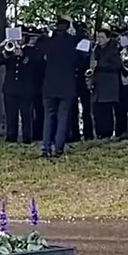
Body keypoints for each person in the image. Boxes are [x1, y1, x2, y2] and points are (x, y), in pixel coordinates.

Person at [40, 15, 78, 158]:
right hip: (66, 85)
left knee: (48, 117)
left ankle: (46, 147)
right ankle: (59, 148)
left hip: (49, 85)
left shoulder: (48, 42)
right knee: (62, 117)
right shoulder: (72, 43)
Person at [0, 33, 34, 143]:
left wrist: (22, 55)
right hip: (10, 89)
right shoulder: (9, 53)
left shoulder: (30, 51)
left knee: (26, 115)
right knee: (11, 115)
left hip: (25, 90)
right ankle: (11, 136)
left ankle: (27, 137)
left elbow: (34, 65)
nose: (19, 40)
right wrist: (4, 54)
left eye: (22, 37)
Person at [90, 27, 122, 138]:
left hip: (108, 85)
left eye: (102, 37)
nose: (99, 39)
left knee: (107, 111)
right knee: (97, 110)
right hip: (98, 85)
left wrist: (99, 65)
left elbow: (117, 65)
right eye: (98, 37)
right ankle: (99, 133)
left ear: (108, 38)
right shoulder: (95, 50)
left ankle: (107, 133)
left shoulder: (113, 49)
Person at [69, 20, 94, 143]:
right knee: (85, 108)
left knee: (75, 108)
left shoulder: (72, 42)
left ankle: (75, 133)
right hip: (82, 77)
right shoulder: (87, 42)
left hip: (76, 77)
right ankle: (88, 133)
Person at [25, 27, 45, 139]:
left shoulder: (41, 50)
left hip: (39, 85)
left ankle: (39, 133)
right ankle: (32, 133)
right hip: (28, 84)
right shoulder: (26, 50)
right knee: (29, 112)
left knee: (39, 111)